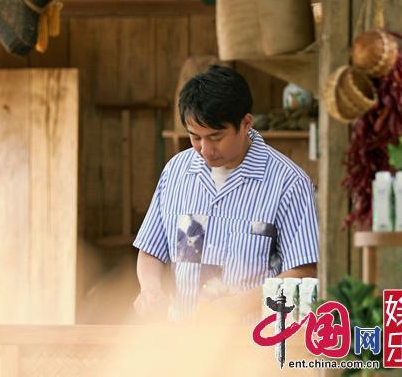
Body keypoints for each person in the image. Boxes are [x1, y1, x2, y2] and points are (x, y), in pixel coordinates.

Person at [133, 66, 318, 321]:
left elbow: (304, 270)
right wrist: (150, 289)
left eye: (216, 137)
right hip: (183, 341)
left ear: (246, 123)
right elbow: (151, 249)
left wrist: (236, 306)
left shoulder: (289, 182)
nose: (205, 149)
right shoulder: (176, 172)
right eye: (195, 137)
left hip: (255, 344)